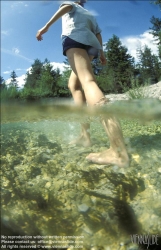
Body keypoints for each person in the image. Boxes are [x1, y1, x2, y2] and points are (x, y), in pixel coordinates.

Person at [36, 0, 129, 167]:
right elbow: (98, 34)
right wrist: (101, 53)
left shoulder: (70, 3)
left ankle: (118, 152)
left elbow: (65, 8)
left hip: (75, 39)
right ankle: (85, 135)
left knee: (88, 81)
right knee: (74, 84)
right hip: (91, 46)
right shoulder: (89, 14)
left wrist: (46, 27)